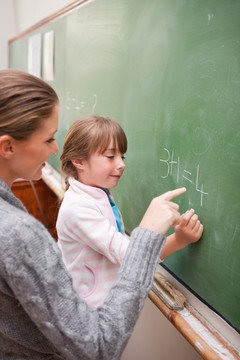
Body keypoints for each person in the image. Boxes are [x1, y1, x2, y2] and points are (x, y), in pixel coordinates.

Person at [0, 68, 199, 360]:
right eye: (48, 139)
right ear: (8, 146)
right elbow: (98, 348)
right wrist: (149, 233)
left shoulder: (98, 195)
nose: (56, 149)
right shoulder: (19, 233)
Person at [57, 116, 203, 306]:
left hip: (105, 308)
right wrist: (163, 230)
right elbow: (132, 258)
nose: (121, 164)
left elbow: (133, 255)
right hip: (88, 314)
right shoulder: (78, 209)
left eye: (122, 156)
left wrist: (180, 239)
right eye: (111, 156)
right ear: (79, 161)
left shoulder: (99, 194)